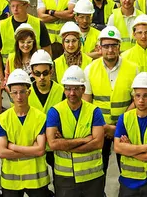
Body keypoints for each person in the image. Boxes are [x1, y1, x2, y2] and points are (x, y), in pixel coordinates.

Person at [83, 26, 140, 180]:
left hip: (126, 127)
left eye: (113, 45)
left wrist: (119, 125)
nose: (110, 50)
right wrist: (102, 126)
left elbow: (137, 100)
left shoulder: (133, 69)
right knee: (99, 170)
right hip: (100, 128)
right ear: (99, 48)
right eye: (106, 46)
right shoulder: (89, 69)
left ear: (119, 47)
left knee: (128, 169)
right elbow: (87, 102)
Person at [45, 66, 106, 197]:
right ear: (64, 89)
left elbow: (98, 143)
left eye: (75, 88)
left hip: (92, 176)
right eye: (68, 88)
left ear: (83, 89)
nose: (71, 93)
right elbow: (53, 144)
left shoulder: (94, 111)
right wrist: (84, 139)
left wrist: (65, 144)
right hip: (65, 177)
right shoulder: (55, 112)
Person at [0, 69, 50, 196]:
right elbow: (2, 152)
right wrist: (31, 150)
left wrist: (12, 146)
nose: (19, 96)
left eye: (22, 92)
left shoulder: (40, 117)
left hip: (37, 181)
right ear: (9, 94)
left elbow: (40, 150)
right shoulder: (3, 119)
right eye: (15, 93)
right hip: (11, 182)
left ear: (29, 92)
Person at [0, 0, 52, 85]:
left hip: (35, 75)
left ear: (27, 5)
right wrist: (1, 78)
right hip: (11, 73)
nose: (15, 9)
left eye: (18, 6)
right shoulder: (2, 25)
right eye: (12, 6)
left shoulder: (38, 24)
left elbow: (47, 50)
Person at [27, 50, 63, 115]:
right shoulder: (26, 93)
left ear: (51, 71)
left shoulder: (61, 91)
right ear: (32, 73)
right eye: (37, 73)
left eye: (45, 73)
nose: (42, 77)